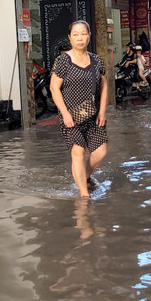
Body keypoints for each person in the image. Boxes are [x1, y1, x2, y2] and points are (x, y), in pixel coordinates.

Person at [50, 20, 108, 198]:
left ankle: (85, 175)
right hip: (71, 116)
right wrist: (65, 114)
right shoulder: (63, 61)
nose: (80, 38)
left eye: (83, 33)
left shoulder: (96, 60)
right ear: (70, 38)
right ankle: (84, 195)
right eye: (75, 34)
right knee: (78, 152)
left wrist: (102, 111)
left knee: (101, 152)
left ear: (89, 36)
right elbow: (54, 88)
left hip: (93, 114)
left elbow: (104, 87)